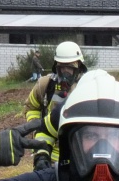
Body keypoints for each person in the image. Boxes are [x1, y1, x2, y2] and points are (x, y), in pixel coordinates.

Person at [25, 41, 87, 170]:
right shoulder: (45, 84)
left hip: (78, 157)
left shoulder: (88, 87)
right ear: (56, 67)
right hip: (48, 155)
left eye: (70, 68)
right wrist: (38, 125)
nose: (65, 72)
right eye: (61, 68)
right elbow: (31, 107)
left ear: (79, 66)